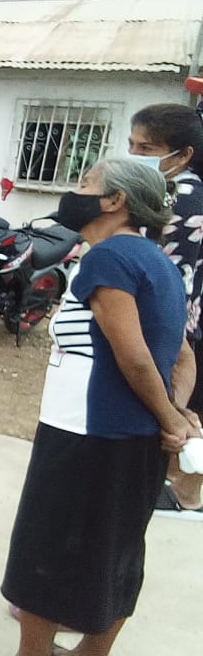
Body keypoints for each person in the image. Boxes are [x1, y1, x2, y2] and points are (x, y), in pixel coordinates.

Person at [0, 158, 193, 656]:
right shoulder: (158, 262)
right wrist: (174, 413)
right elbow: (181, 356)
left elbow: (134, 358)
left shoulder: (108, 258)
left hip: (87, 432)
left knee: (50, 543)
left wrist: (170, 420)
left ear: (115, 201)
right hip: (133, 441)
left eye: (86, 183)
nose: (74, 191)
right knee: (117, 548)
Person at [127, 102, 203, 520]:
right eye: (132, 145)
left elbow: (164, 270)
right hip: (175, 316)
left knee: (176, 402)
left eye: (147, 148)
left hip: (173, 319)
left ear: (183, 153)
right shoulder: (166, 188)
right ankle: (171, 481)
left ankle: (184, 493)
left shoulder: (184, 196)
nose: (135, 155)